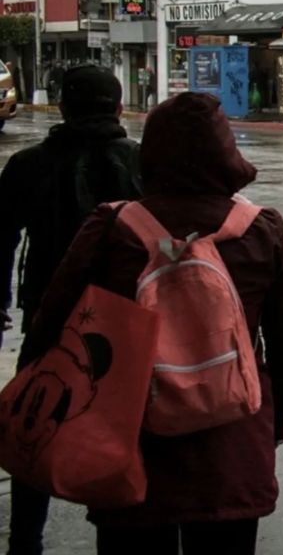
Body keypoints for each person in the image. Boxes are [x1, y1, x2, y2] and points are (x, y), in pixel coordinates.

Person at [19, 92, 283, 554]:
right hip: (230, 444)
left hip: (131, 445)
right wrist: (277, 419)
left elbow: (50, 323)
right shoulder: (261, 229)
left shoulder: (112, 227)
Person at [0, 65, 142, 555]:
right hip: (126, 322)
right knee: (124, 428)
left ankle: (25, 541)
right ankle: (116, 538)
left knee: (32, 424)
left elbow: (0, 240)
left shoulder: (29, 165)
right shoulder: (139, 162)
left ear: (62, 108)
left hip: (48, 315)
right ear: (119, 108)